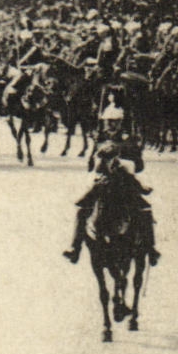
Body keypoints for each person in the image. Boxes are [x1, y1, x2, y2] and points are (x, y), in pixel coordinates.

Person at [64, 107, 159, 266]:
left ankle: (151, 249)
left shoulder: (129, 140)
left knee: (144, 209)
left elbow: (140, 165)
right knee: (82, 209)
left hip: (124, 180)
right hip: (103, 180)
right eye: (109, 122)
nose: (111, 125)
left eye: (115, 122)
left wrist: (126, 163)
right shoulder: (99, 138)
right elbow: (90, 164)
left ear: (121, 123)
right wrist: (96, 160)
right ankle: (75, 248)